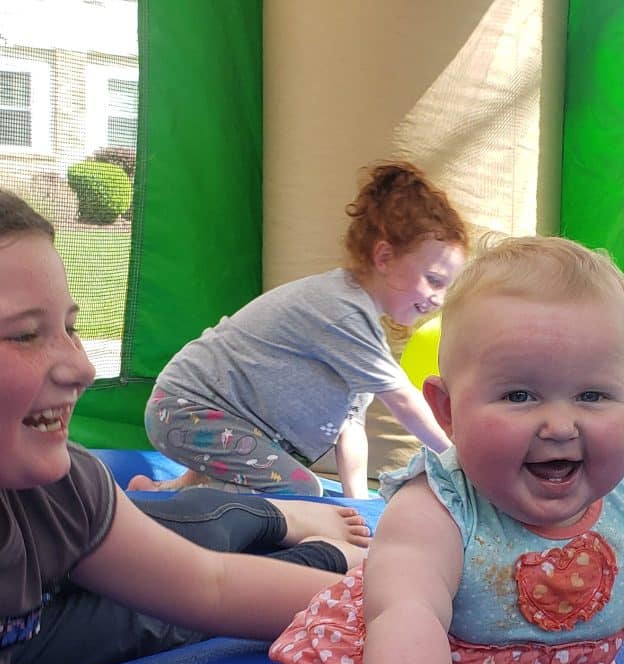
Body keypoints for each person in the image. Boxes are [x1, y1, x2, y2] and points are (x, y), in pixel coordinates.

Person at [30, 236, 624, 664]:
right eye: (518, 395)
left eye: (593, 395)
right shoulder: (440, 510)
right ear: (447, 411)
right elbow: (406, 624)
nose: (558, 423)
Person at [0, 189, 371, 664]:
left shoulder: (56, 486)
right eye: (26, 334)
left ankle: (278, 517)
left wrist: (403, 609)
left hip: (53, 588)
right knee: (138, 623)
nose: (82, 366)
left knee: (191, 537)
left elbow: (209, 585)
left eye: (72, 326)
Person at [126, 161, 468, 499]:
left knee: (277, 471)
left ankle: (158, 493)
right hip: (187, 410)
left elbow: (349, 427)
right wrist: (457, 458)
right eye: (433, 280)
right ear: (384, 257)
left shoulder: (359, 328)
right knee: (300, 489)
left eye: (446, 287)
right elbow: (404, 401)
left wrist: (358, 505)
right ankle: (173, 509)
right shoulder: (342, 312)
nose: (438, 299)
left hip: (211, 416)